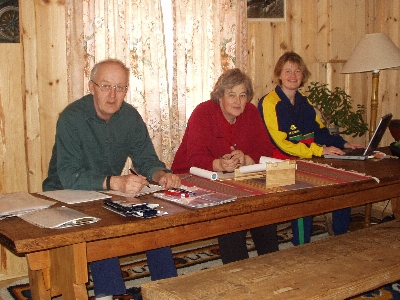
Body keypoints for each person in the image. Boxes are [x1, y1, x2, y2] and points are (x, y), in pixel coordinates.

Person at [42, 58, 181, 300]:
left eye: (120, 88)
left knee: (153, 219)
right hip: (63, 195)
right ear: (91, 86)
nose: (113, 95)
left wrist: (160, 175)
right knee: (102, 228)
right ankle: (111, 294)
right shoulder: (72, 118)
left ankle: (168, 291)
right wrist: (117, 183)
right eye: (106, 86)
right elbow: (68, 176)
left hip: (106, 193)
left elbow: (146, 159)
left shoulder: (129, 117)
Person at [171, 68, 279, 264]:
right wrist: (219, 164)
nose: (238, 101)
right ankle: (237, 268)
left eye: (243, 95)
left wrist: (247, 159)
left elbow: (265, 149)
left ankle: (271, 263)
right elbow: (194, 158)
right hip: (193, 177)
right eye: (232, 95)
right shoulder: (203, 112)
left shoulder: (252, 113)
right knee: (231, 211)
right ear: (220, 96)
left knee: (262, 207)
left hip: (235, 178)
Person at [258, 51, 364, 245]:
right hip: (278, 164)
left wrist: (344, 144)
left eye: (297, 71)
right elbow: (281, 144)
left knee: (344, 183)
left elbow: (319, 131)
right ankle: (301, 246)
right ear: (279, 74)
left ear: (302, 75)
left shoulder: (304, 101)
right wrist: (318, 151)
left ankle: (341, 238)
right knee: (305, 194)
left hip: (306, 159)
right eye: (288, 71)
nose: (293, 75)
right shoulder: (269, 102)